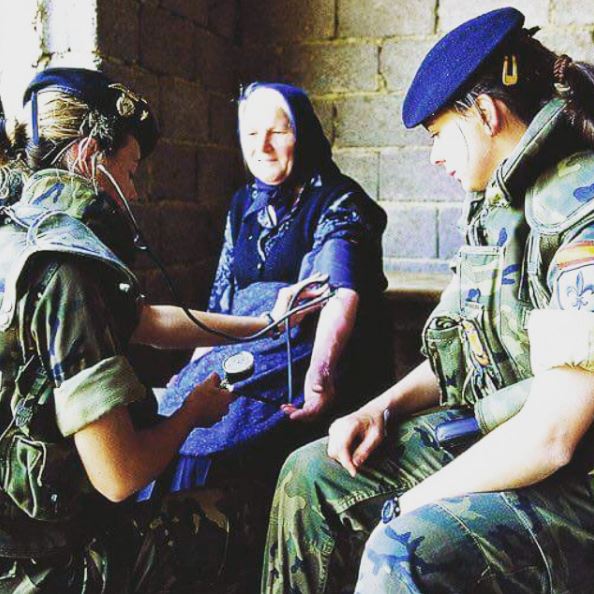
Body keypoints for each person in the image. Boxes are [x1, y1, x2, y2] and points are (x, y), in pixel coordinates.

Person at [261, 7, 594, 593]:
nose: (435, 156)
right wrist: (380, 408)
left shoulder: (578, 206)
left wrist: (409, 503)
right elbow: (463, 344)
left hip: (574, 478)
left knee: (401, 550)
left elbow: (553, 435)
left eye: (439, 134)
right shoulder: (500, 204)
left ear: (486, 114)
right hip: (506, 437)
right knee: (310, 475)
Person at [0, 67, 318, 593]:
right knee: (253, 512)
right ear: (89, 156)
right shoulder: (67, 270)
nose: (133, 190)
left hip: (17, 535)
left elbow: (146, 320)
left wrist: (266, 324)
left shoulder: (18, 236)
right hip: (45, 565)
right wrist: (191, 412)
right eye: (128, 171)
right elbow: (119, 475)